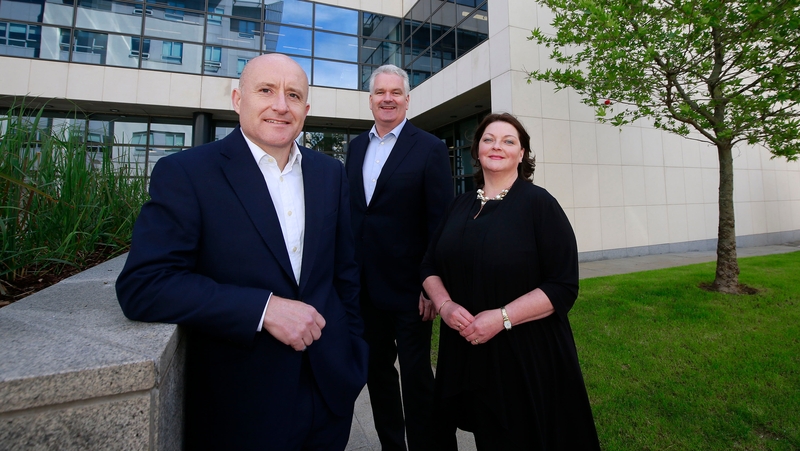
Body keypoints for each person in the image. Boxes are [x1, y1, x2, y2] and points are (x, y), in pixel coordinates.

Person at [115, 53, 368, 451]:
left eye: (293, 95)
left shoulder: (330, 173)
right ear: (237, 99)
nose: (280, 105)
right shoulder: (186, 173)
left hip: (329, 391)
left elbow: (345, 273)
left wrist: (355, 354)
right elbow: (144, 285)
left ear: (306, 108)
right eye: (266, 90)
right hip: (240, 406)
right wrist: (264, 309)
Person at [421, 113, 601, 450]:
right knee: (486, 433)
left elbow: (563, 285)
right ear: (476, 150)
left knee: (519, 436)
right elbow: (430, 264)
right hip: (464, 347)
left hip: (522, 353)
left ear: (522, 155)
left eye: (508, 141)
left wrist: (502, 317)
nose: (497, 146)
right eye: (489, 139)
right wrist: (444, 304)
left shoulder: (539, 204)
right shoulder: (460, 204)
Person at [345, 64, 453, 451]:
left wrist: (432, 285)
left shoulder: (430, 148)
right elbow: (357, 214)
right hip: (365, 290)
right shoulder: (356, 147)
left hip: (412, 291)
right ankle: (393, 444)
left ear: (407, 100)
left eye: (395, 92)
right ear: (370, 100)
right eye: (380, 93)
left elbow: (439, 222)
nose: (387, 99)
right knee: (377, 375)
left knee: (416, 377)